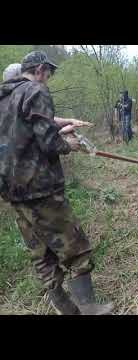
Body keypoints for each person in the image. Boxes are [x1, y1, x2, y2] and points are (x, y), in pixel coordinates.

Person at [0, 51, 113, 315]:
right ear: (40, 69)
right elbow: (49, 141)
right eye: (49, 73)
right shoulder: (35, 91)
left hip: (12, 191)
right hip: (40, 187)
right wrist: (69, 144)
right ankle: (88, 309)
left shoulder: (5, 97)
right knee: (75, 248)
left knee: (40, 254)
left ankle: (66, 309)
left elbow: (24, 134)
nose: (48, 79)